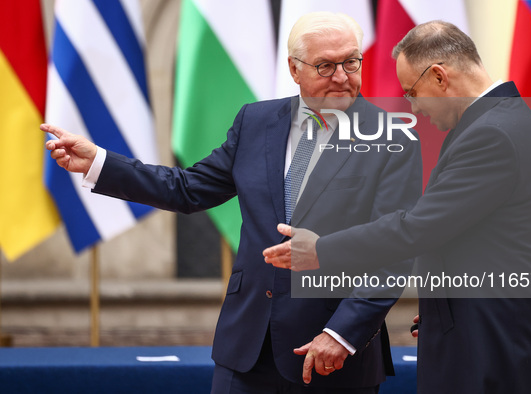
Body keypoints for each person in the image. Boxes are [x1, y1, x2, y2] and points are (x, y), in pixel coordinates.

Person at [43, 12, 422, 393]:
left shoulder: (393, 140)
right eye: (325, 66)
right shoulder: (256, 122)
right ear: (294, 68)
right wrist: (100, 163)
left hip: (330, 356)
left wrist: (342, 334)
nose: (342, 77)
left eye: (351, 62)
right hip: (246, 349)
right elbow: (187, 188)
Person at [264, 20, 531, 393]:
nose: (415, 108)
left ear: (439, 77)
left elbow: (417, 228)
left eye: (412, 92)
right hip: (481, 330)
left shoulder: (491, 135)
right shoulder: (498, 122)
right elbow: (481, 240)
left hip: (490, 345)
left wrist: (319, 249)